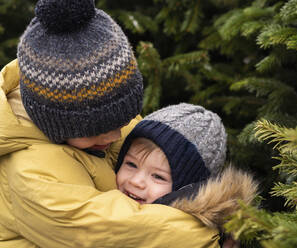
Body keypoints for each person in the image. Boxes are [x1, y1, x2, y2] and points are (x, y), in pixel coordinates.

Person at [0, 0, 228, 247]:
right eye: (99, 131)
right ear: (58, 125)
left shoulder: (102, 129)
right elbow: (101, 230)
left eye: (124, 119)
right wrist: (208, 232)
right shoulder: (31, 169)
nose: (116, 135)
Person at [115, 103, 258, 245]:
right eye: (131, 164)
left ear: (186, 187)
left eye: (158, 176)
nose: (136, 181)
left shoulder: (182, 236)